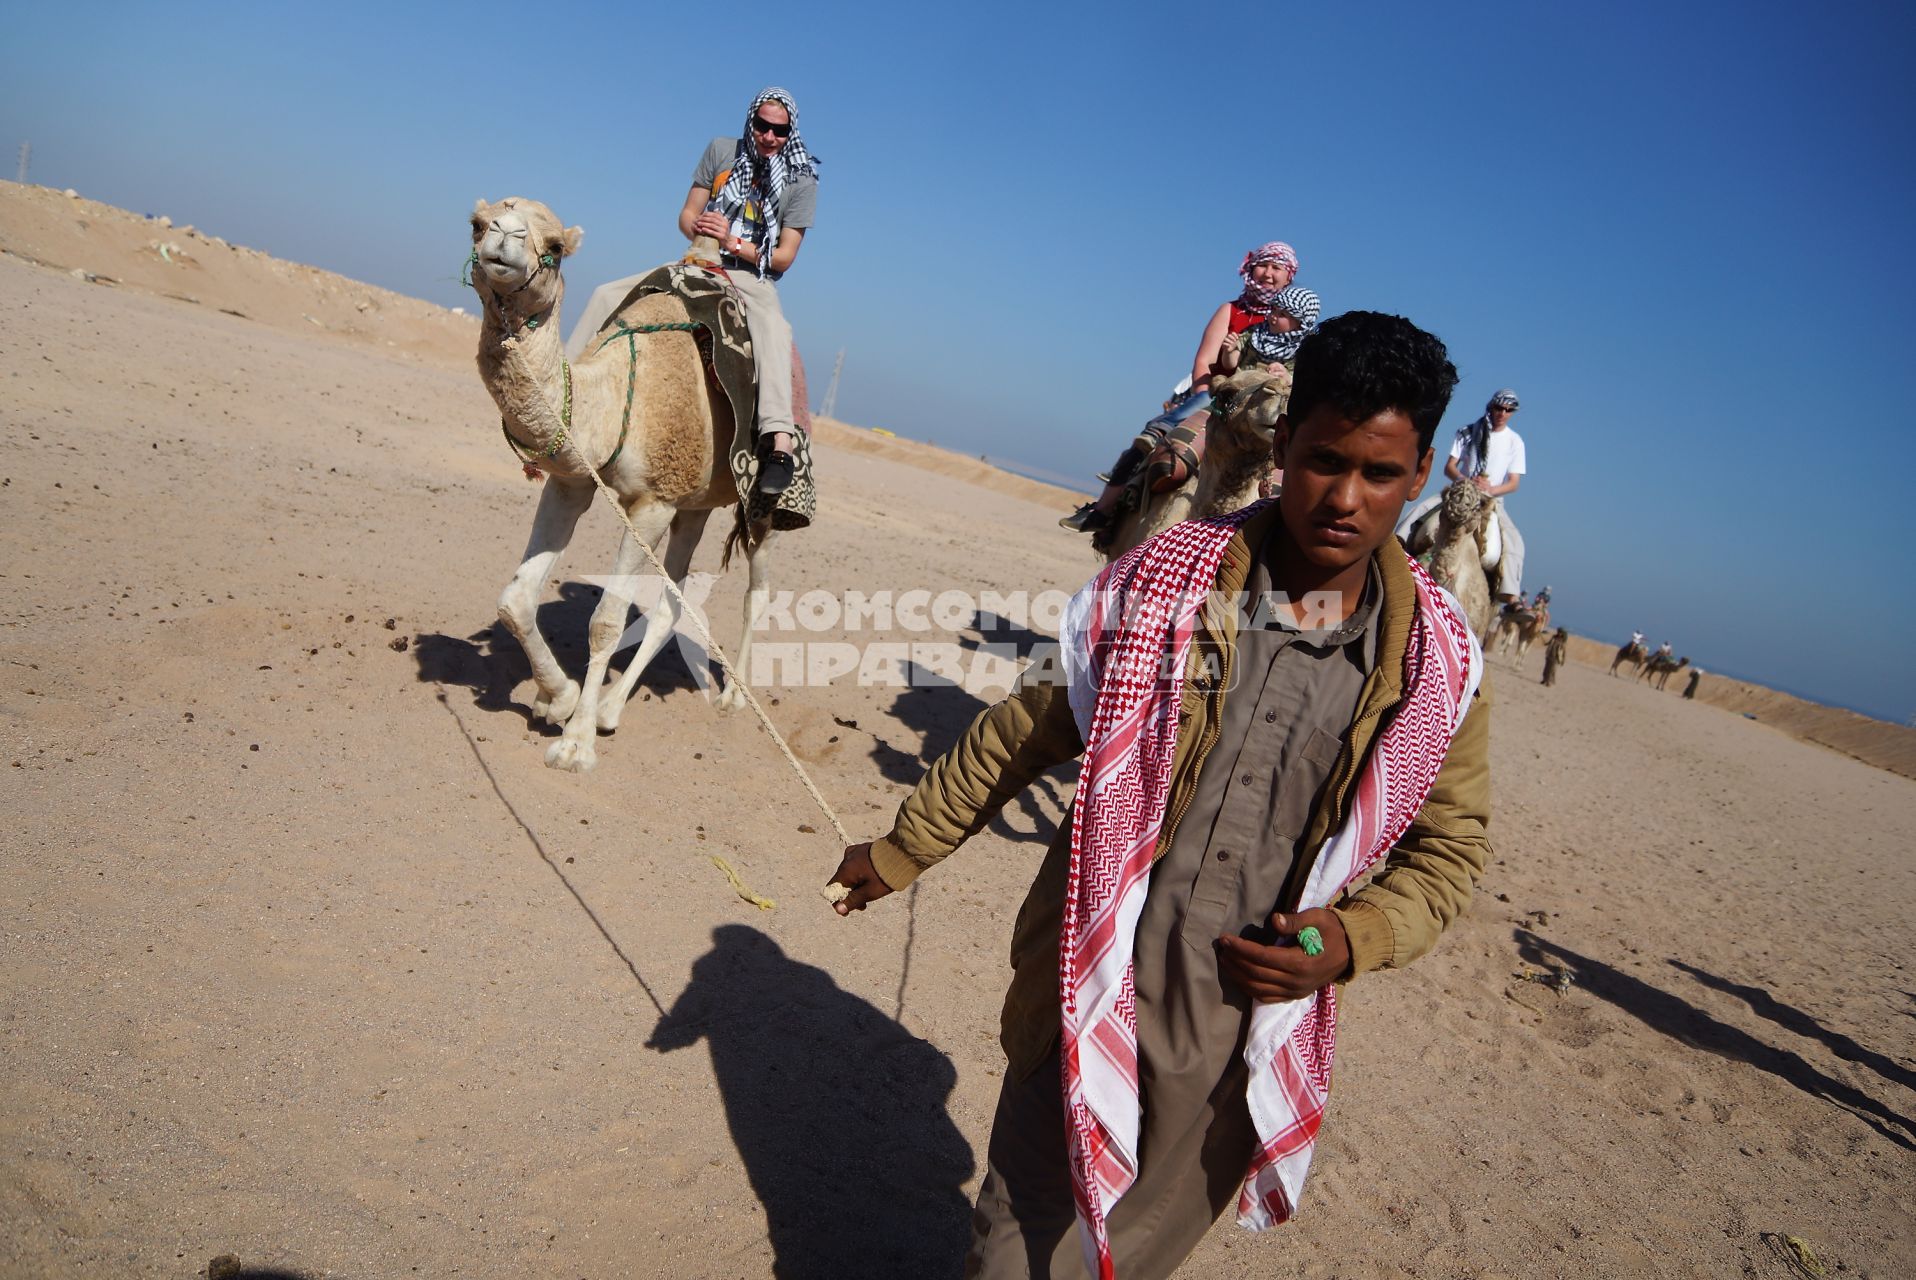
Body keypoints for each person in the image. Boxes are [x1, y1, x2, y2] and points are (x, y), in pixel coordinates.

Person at [827, 312, 1491, 1279]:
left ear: (1422, 470)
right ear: (1285, 445)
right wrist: (904, 848)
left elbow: (1449, 850)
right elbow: (1032, 725)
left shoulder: (1438, 666)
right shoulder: (1165, 584)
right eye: (1322, 462)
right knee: (1012, 1251)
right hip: (1089, 976)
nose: (1344, 499)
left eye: (1380, 475)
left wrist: (1351, 939)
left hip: (1236, 1037)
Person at [566, 87, 821, 496]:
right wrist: (699, 227)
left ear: (790, 131)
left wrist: (733, 242)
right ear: (751, 120)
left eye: (779, 130)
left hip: (748, 276)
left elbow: (784, 257)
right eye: (762, 126)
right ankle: (561, 401)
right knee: (605, 294)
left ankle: (779, 445)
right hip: (698, 262)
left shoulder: (802, 181)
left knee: (774, 330)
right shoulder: (722, 151)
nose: (769, 137)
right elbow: (687, 214)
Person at [1061, 243, 1300, 533]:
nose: (1268, 274)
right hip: (1218, 397)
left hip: (1264, 411)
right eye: (1264, 265)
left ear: (1289, 277)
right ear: (1251, 268)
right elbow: (1205, 361)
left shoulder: (1297, 328)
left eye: (1277, 268)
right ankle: (1103, 511)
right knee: (1156, 435)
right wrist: (1208, 394)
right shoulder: (1233, 312)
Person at [1396, 388, 1527, 601]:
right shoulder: (1468, 432)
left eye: (1508, 409)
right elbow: (1450, 467)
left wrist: (1490, 488)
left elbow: (1513, 483)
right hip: (1461, 491)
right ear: (1491, 407)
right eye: (1499, 407)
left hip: (1490, 498)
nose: (1502, 413)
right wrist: (1465, 480)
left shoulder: (1515, 442)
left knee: (1513, 541)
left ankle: (1509, 595)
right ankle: (1394, 552)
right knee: (1419, 513)